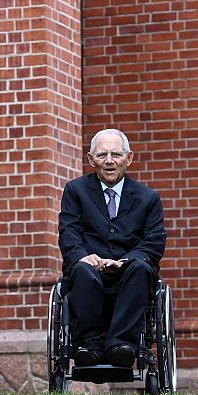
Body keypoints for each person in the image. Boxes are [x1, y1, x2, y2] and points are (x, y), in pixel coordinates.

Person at [58, 129, 165, 368]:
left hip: (130, 274)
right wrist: (85, 257)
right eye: (102, 154)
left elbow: (154, 241)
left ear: (128, 158)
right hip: (89, 272)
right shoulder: (76, 191)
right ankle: (89, 345)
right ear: (90, 159)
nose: (109, 161)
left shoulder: (148, 198)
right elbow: (69, 232)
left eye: (116, 154)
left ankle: (122, 346)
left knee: (140, 268)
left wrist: (124, 261)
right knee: (82, 270)